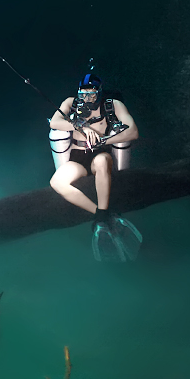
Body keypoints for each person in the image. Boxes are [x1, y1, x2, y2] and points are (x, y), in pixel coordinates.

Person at [48, 73, 142, 260]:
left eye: (91, 94)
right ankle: (102, 215)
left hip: (100, 153)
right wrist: (81, 126)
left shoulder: (113, 105)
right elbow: (55, 122)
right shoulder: (70, 103)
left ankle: (103, 214)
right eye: (83, 94)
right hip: (77, 157)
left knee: (102, 162)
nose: (87, 98)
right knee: (56, 182)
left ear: (99, 92)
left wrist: (104, 140)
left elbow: (133, 131)